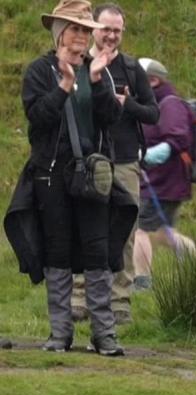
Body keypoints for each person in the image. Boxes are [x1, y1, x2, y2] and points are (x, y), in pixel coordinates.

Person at [4, 0, 134, 355]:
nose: (81, 35)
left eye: (85, 29)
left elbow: (110, 119)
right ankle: (60, 334)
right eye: (75, 29)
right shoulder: (39, 71)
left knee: (97, 250)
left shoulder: (98, 69)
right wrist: (63, 86)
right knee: (57, 251)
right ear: (60, 32)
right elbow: (38, 118)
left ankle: (104, 335)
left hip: (92, 174)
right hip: (51, 175)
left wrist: (97, 83)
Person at [70, 2, 158, 325]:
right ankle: (79, 296)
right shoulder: (79, 64)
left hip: (123, 160)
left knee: (125, 230)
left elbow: (153, 113)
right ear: (94, 27)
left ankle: (119, 299)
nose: (111, 36)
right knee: (83, 227)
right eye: (105, 29)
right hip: (88, 160)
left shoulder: (132, 69)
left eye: (117, 31)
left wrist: (128, 103)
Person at [131, 58, 196, 289]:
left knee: (139, 230)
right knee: (164, 233)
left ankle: (142, 281)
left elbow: (176, 140)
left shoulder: (170, 104)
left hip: (164, 183)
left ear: (152, 80)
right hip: (162, 181)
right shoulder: (154, 103)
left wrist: (143, 156)